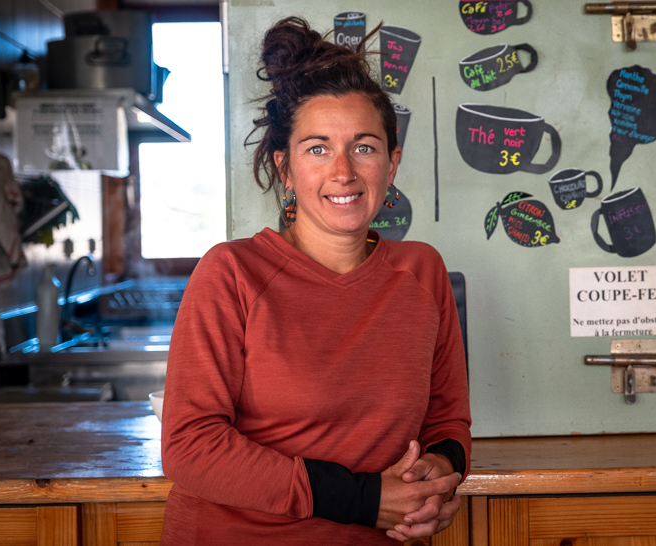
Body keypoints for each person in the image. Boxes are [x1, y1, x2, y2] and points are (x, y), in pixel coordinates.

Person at [160, 16, 471, 545]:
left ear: (392, 163)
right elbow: (190, 446)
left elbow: (447, 421)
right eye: (318, 148)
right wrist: (364, 499)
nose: (344, 172)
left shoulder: (423, 272)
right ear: (285, 168)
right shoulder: (231, 273)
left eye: (365, 147)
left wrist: (439, 477)